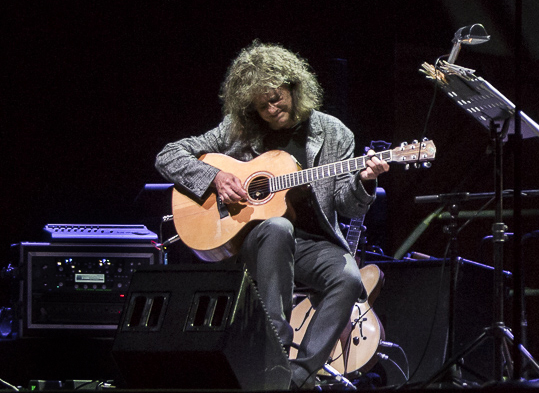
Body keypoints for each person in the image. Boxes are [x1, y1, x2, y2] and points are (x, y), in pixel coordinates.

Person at [156, 41, 389, 389]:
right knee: (278, 225)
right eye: (261, 105)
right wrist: (215, 177)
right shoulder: (237, 129)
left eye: (276, 98)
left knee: (349, 279)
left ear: (294, 87)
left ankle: (296, 378)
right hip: (253, 240)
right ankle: (273, 352)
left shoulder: (334, 132)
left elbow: (346, 204)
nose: (271, 108)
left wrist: (365, 182)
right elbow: (168, 155)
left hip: (311, 243)